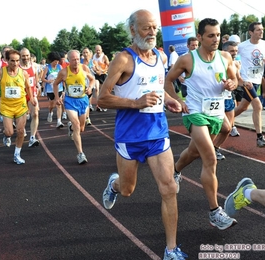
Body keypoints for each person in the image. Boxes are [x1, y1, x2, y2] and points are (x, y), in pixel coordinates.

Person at [98, 9, 187, 260]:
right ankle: (114, 185)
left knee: (169, 187)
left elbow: (157, 88)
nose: (152, 32)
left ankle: (171, 249)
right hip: (129, 136)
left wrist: (170, 100)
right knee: (127, 190)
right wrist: (135, 103)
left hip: (157, 132)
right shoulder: (123, 59)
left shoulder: (159, 56)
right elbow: (102, 98)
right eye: (147, 28)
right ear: (133, 30)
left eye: (155, 28)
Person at [164, 18, 238, 230]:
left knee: (194, 152)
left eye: (218, 35)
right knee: (209, 158)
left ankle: (176, 170)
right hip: (195, 113)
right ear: (200, 37)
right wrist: (178, 100)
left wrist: (232, 84)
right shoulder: (187, 60)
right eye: (210, 35)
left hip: (215, 112)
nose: (216, 39)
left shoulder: (225, 57)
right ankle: (215, 211)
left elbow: (233, 80)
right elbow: (168, 80)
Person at [0, 49, 36, 164]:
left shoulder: (23, 73)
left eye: (17, 61)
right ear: (6, 60)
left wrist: (32, 97)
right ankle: (6, 136)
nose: (15, 64)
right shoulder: (0, 73)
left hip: (21, 106)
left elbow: (28, 87)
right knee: (9, 132)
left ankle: (17, 155)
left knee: (20, 131)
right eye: (12, 61)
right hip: (6, 107)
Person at [234, 22, 265, 148]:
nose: (261, 32)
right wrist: (236, 70)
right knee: (258, 106)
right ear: (251, 32)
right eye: (258, 30)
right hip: (247, 82)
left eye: (262, 30)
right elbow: (230, 57)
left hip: (257, 80)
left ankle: (225, 120)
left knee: (242, 108)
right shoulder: (242, 46)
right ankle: (260, 137)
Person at [53, 50, 95, 165]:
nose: (76, 62)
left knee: (81, 128)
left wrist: (90, 87)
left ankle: (71, 128)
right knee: (77, 125)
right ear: (69, 61)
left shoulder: (84, 68)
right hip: (70, 101)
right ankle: (81, 154)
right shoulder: (63, 72)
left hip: (83, 100)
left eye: (77, 59)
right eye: (73, 60)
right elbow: (55, 84)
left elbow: (92, 79)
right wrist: (57, 97)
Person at [213, 41, 242, 160]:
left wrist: (241, 83)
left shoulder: (236, 64)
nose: (234, 53)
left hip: (228, 97)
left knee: (228, 129)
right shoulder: (217, 60)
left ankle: (215, 148)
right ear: (225, 51)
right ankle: (207, 149)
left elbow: (237, 80)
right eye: (232, 51)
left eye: (236, 51)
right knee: (216, 128)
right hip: (216, 98)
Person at [19, 48, 40, 147]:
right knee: (21, 118)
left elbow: (36, 79)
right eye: (23, 56)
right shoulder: (17, 67)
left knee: (35, 113)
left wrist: (38, 86)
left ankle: (32, 137)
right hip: (20, 96)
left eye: (27, 55)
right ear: (20, 56)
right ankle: (21, 129)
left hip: (32, 94)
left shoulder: (34, 66)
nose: (26, 58)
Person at [42, 51, 64, 127]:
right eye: (55, 61)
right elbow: (42, 78)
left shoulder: (60, 67)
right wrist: (48, 81)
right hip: (50, 89)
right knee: (51, 105)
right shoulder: (47, 68)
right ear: (52, 60)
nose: (57, 63)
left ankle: (59, 121)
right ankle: (50, 112)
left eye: (58, 61)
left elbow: (63, 77)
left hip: (59, 88)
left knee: (59, 104)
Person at [81, 47, 98, 125]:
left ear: (90, 54)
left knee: (87, 101)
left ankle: (87, 118)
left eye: (86, 52)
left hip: (90, 82)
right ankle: (84, 116)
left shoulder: (92, 61)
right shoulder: (80, 62)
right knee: (83, 102)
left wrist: (96, 70)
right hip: (82, 83)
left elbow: (98, 71)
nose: (85, 54)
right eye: (84, 52)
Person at [92, 45, 109, 112]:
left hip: (103, 75)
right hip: (96, 75)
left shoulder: (104, 57)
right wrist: (96, 71)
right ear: (95, 50)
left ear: (101, 50)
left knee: (103, 91)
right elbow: (92, 65)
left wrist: (102, 71)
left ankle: (104, 105)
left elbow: (108, 66)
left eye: (99, 50)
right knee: (96, 89)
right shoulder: (94, 57)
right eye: (97, 50)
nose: (98, 51)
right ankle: (98, 105)